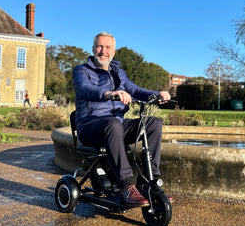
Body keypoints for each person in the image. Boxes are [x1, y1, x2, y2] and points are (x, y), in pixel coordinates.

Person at [72, 32, 171, 207]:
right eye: (99, 46)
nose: (103, 51)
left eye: (107, 47)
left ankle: (150, 181)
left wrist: (158, 95)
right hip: (90, 126)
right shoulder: (81, 71)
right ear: (93, 48)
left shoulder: (119, 73)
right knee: (113, 124)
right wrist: (110, 94)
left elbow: (135, 90)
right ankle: (126, 185)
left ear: (114, 51)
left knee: (153, 123)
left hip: (115, 125)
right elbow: (84, 90)